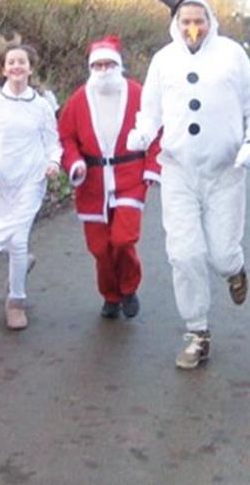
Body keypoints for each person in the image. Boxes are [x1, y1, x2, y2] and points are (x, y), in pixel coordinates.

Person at [126, 0, 250, 369]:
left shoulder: (232, 56)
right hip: (178, 172)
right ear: (176, 22)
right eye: (187, 20)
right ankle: (197, 331)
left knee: (221, 253)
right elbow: (150, 109)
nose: (194, 27)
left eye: (200, 20)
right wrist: (142, 133)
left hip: (226, 171)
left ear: (211, 21)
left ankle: (235, 270)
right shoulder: (163, 60)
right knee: (184, 254)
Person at [58, 35, 161, 319]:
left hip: (130, 176)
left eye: (108, 64)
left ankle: (128, 288)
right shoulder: (79, 99)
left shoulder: (138, 94)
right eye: (98, 66)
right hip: (92, 182)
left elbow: (157, 131)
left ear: (118, 66)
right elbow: (66, 137)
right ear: (91, 68)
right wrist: (75, 162)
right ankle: (110, 296)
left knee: (123, 239)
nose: (103, 71)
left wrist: (152, 167)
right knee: (100, 248)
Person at [0, 43, 62, 330]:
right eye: (12, 62)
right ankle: (21, 263)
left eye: (22, 62)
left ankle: (15, 301)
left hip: (31, 179)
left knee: (18, 240)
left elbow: (52, 142)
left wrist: (53, 163)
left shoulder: (42, 105)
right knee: (9, 242)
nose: (17, 67)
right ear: (4, 69)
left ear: (30, 69)